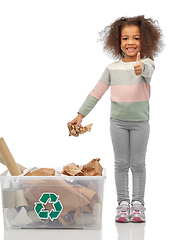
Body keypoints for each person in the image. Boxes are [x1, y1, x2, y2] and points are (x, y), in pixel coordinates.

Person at [68, 15, 164, 223]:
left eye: (136, 38)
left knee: (138, 164)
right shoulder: (112, 68)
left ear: (145, 41)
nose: (130, 43)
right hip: (117, 124)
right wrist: (80, 115)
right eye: (125, 38)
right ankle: (122, 204)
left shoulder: (146, 63)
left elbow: (148, 70)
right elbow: (96, 93)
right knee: (121, 163)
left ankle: (138, 204)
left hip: (140, 124)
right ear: (117, 42)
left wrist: (141, 69)